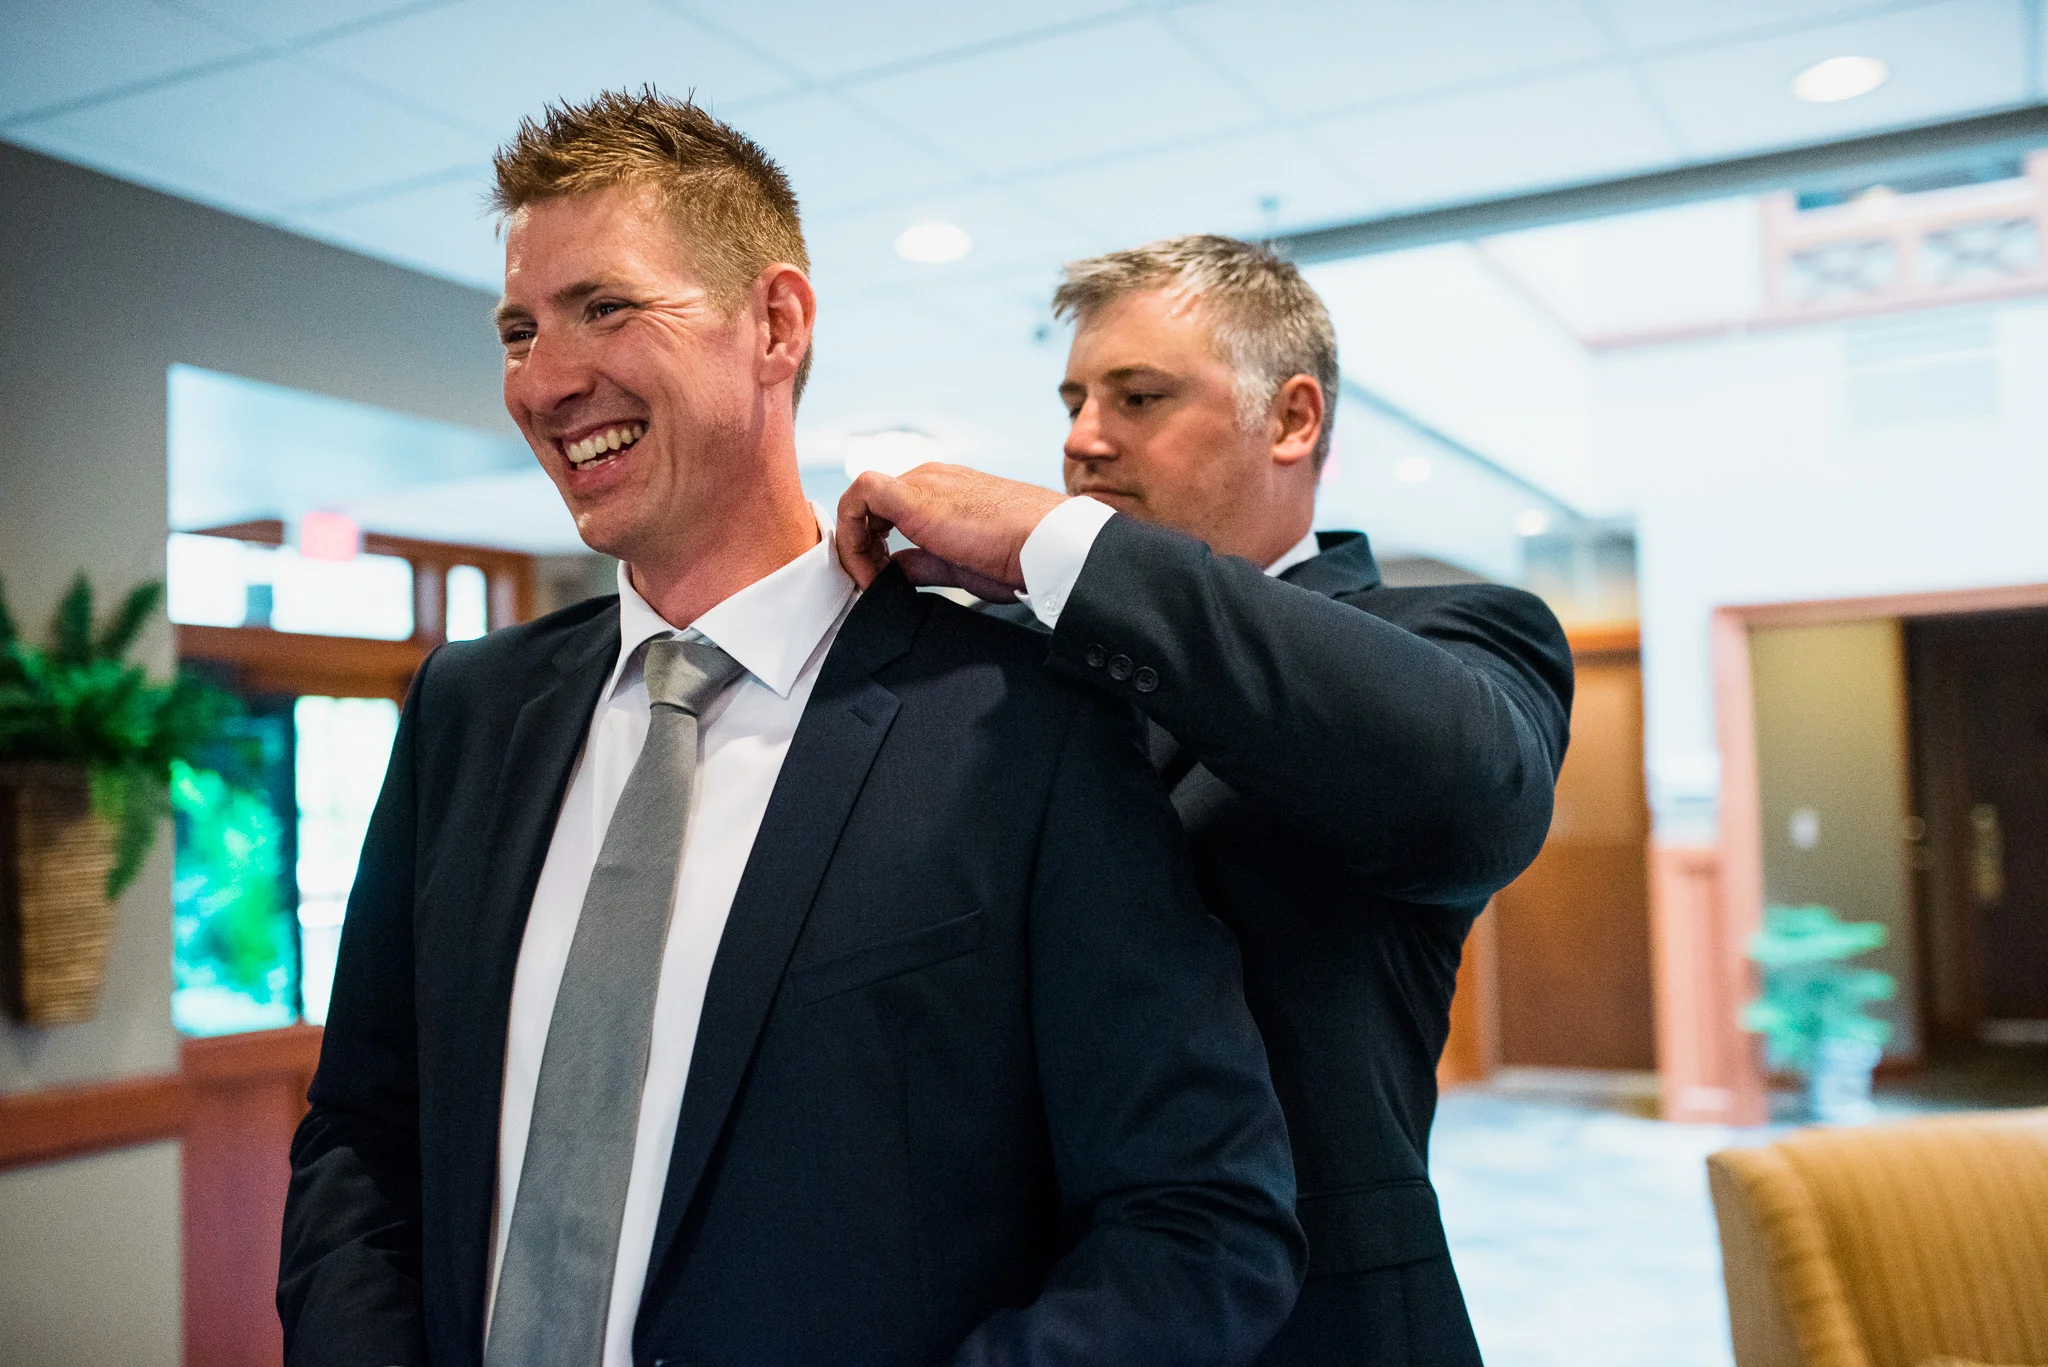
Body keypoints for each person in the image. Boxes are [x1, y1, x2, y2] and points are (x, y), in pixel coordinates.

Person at [278, 97, 1305, 1367]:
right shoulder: (466, 710)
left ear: (775, 323)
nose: (543, 381)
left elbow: (1199, 1220)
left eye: (605, 307)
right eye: (517, 330)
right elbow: (363, 1132)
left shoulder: (1021, 722)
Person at [837, 234, 1574, 1367]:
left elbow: (1467, 801)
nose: (1082, 438)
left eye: (1137, 397)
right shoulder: (1000, 661)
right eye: (1074, 400)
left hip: (1304, 1329)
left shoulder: (1448, 639)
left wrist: (1062, 545)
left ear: (1292, 419)